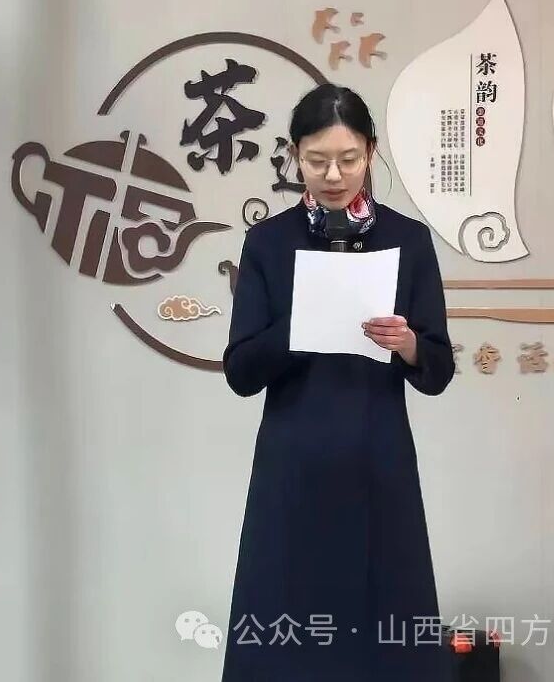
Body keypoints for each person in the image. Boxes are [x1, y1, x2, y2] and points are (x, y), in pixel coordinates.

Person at [221, 83, 455, 681]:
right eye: (317, 160)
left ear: (371, 152)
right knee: (286, 637)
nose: (333, 175)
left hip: (379, 463)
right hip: (292, 467)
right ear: (294, 154)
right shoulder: (268, 242)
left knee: (386, 636)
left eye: (348, 160)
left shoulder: (407, 239)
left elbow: (438, 370)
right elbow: (241, 372)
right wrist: (299, 322)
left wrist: (408, 344)